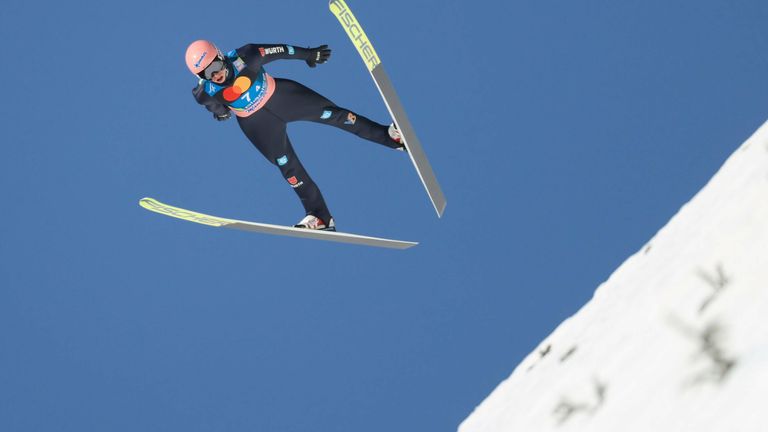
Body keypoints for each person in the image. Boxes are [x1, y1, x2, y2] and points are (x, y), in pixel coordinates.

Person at [184, 40, 405, 231]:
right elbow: (216, 108)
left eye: (215, 65)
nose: (216, 74)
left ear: (221, 55)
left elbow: (281, 50)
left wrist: (309, 54)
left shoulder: (246, 55)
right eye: (207, 73)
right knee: (287, 166)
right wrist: (221, 114)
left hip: (283, 97)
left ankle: (390, 137)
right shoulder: (204, 92)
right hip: (257, 124)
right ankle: (320, 217)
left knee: (335, 115)